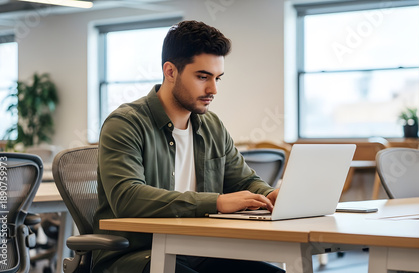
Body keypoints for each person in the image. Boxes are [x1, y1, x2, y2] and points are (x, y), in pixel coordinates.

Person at [92, 20, 284, 273]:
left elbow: (243, 181)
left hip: (200, 250)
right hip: (136, 255)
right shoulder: (126, 123)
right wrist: (215, 202)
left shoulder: (211, 125)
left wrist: (268, 195)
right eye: (202, 77)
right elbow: (127, 197)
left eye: (217, 78)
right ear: (170, 71)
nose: (213, 89)